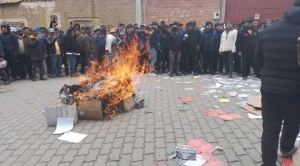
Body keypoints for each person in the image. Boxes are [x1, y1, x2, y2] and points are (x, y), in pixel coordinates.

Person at [254, 1, 300, 165]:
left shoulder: (268, 31)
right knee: (292, 124)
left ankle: (268, 163)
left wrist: (269, 77)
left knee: (270, 130)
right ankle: (286, 148)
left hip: (269, 90)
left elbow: (258, 60)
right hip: (295, 91)